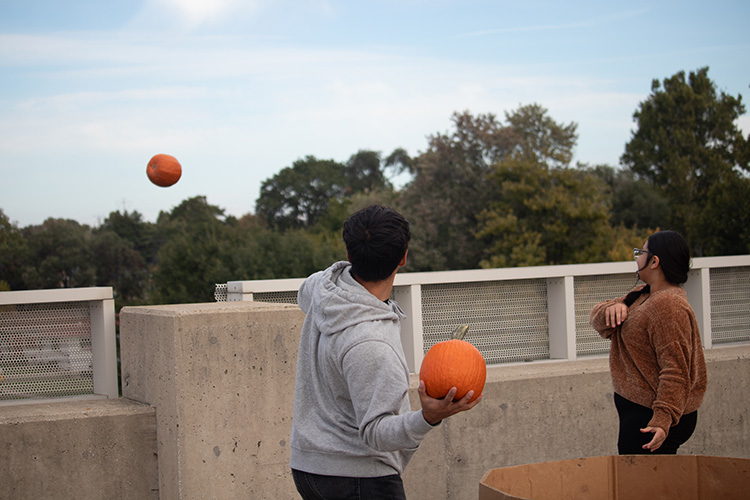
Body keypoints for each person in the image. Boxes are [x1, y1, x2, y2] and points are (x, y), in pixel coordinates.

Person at [289, 204, 482, 499]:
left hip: (308, 469)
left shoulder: (322, 285)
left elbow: (304, 295)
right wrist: (428, 417)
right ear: (403, 258)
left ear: (350, 255)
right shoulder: (372, 345)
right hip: (356, 477)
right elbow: (376, 433)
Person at [590, 230, 707, 455]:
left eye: (641, 252)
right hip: (641, 413)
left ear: (654, 261)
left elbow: (676, 371)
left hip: (651, 418)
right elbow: (597, 319)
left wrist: (662, 420)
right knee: (644, 484)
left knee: (643, 486)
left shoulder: (668, 306)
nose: (636, 258)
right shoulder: (644, 294)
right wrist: (611, 309)